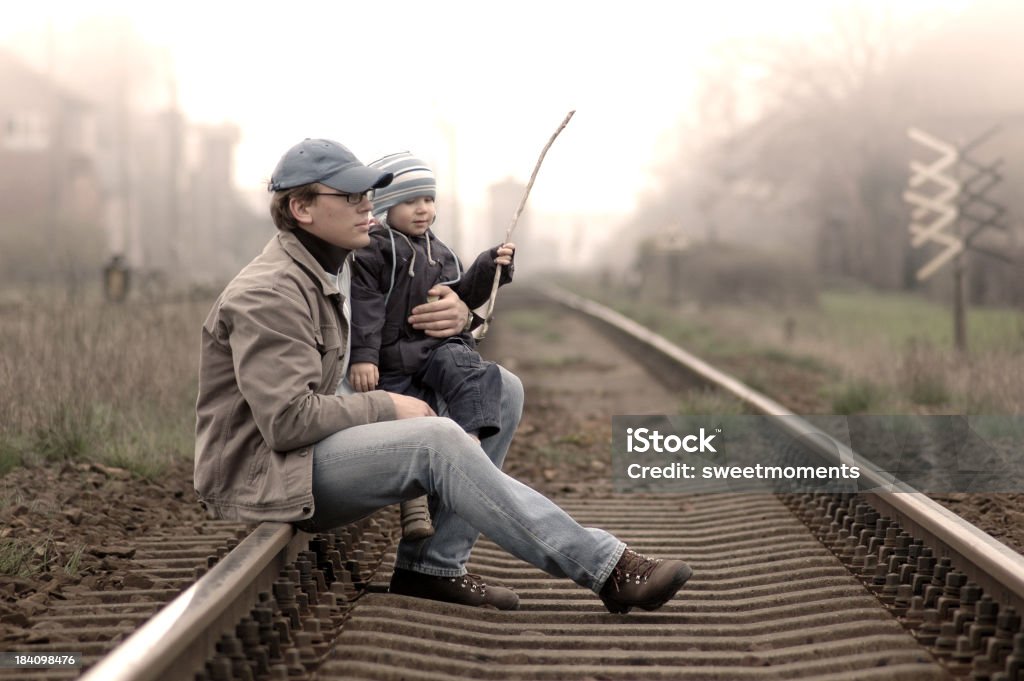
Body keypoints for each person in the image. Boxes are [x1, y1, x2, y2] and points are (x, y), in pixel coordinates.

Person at [193, 138, 692, 613]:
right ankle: (605, 567)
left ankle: (433, 566)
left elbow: (396, 334)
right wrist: (390, 407)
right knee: (435, 441)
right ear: (301, 209)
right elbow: (285, 421)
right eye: (349, 197)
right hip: (272, 470)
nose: (368, 205)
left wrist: (464, 317)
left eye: (368, 194)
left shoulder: (335, 269)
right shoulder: (270, 292)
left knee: (502, 389)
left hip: (310, 452)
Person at [348, 152, 514, 541]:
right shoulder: (375, 249)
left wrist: (491, 267)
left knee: (472, 370)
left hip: (433, 350)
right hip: (393, 356)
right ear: (387, 205)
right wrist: (364, 356)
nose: (423, 210)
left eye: (428, 200)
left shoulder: (440, 253)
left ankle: (471, 438)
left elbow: (463, 294)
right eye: (410, 201)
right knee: (415, 418)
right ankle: (414, 503)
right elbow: (366, 309)